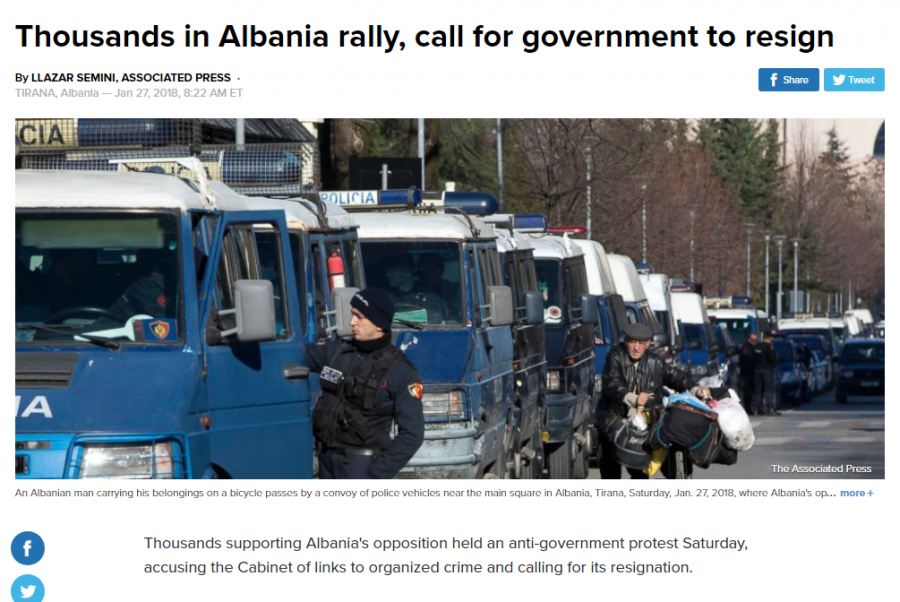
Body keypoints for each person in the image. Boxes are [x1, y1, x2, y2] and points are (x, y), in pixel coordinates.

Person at [306, 288, 425, 479]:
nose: (352, 322)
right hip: (326, 461)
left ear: (379, 324)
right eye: (352, 314)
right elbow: (293, 355)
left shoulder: (401, 371)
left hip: (362, 466)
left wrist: (375, 475)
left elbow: (412, 435)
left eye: (359, 317)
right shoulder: (336, 351)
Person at [597, 323, 710, 479]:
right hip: (615, 415)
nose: (636, 347)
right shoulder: (615, 356)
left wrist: (696, 390)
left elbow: (676, 377)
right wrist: (634, 398)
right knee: (610, 466)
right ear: (625, 341)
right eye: (632, 342)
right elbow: (612, 384)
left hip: (645, 419)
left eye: (641, 343)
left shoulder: (655, 361)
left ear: (648, 344)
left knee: (639, 466)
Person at [753, 332, 780, 415]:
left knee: (758, 389)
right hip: (767, 370)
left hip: (757, 370)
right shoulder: (768, 346)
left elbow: (753, 357)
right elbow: (771, 358)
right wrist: (777, 360)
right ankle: (770, 408)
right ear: (769, 338)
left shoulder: (757, 346)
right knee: (769, 389)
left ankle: (758, 408)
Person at [739, 333, 758, 413]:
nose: (755, 342)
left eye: (756, 340)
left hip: (755, 372)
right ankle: (748, 408)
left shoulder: (756, 346)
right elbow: (746, 354)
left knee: (755, 391)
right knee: (747, 392)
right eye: (753, 340)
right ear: (749, 339)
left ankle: (755, 407)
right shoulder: (745, 347)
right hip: (746, 373)